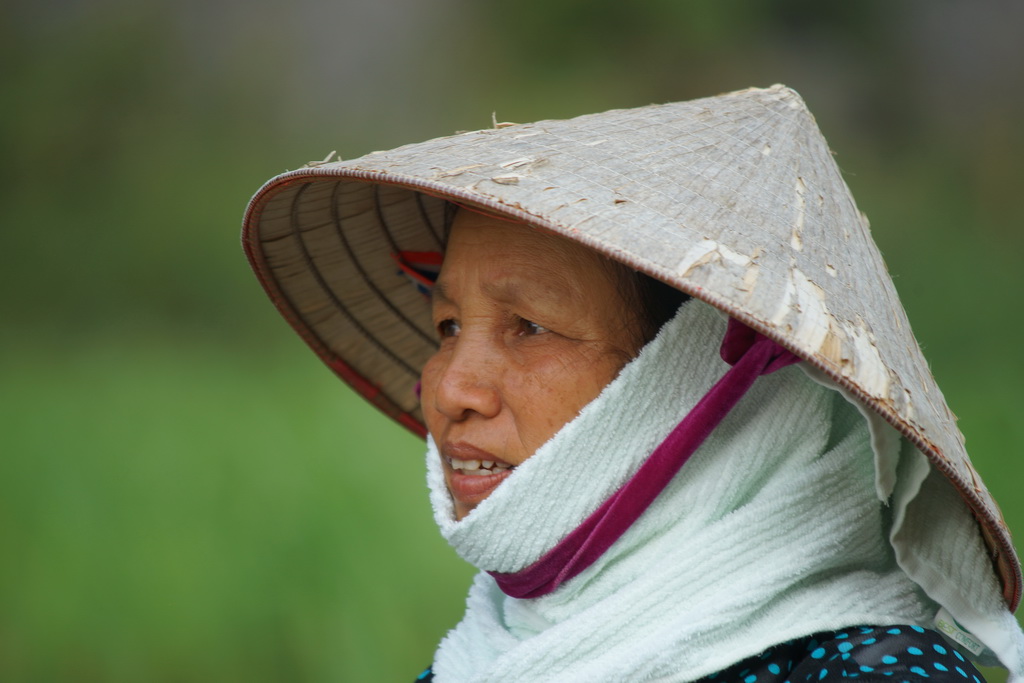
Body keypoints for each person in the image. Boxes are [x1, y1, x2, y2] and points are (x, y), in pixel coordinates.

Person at [242, 85, 1024, 681]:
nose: (449, 390)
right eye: (447, 326)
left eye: (528, 326)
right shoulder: (479, 660)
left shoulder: (871, 674)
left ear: (691, 381)